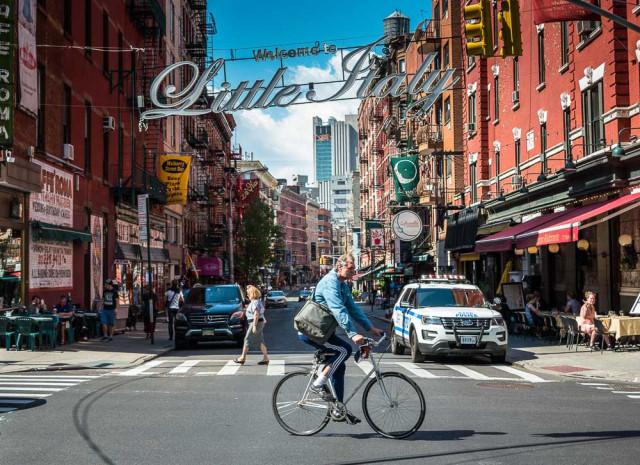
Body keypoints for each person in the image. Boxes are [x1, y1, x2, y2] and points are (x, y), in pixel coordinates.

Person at [298, 253, 384, 425]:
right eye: (351, 268)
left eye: (354, 268)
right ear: (339, 267)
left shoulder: (342, 285)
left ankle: (339, 408)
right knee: (345, 350)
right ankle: (318, 383)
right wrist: (353, 334)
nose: (353, 271)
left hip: (323, 332)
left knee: (340, 366)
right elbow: (338, 310)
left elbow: (353, 309)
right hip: (312, 332)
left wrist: (370, 328)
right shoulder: (331, 283)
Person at [233, 285, 269, 365]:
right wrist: (242, 314)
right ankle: (266, 358)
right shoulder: (256, 302)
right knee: (260, 340)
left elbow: (256, 314)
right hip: (258, 322)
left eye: (248, 293)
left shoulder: (255, 302)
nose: (247, 295)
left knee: (247, 339)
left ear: (252, 294)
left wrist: (254, 326)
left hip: (255, 322)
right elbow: (251, 312)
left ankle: (242, 357)